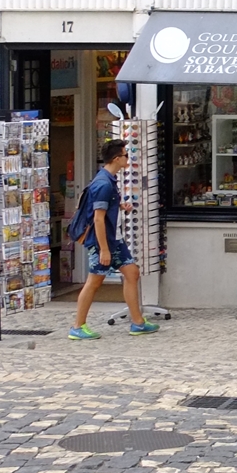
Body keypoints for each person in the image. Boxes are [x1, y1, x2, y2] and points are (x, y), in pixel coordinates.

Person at [67, 140, 158, 339]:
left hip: (114, 239)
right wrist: (104, 249)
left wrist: (120, 207)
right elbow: (98, 219)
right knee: (94, 282)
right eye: (126, 155)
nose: (128, 158)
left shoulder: (109, 180)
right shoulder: (103, 184)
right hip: (103, 242)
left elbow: (105, 211)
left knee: (132, 273)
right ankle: (77, 326)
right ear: (117, 159)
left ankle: (138, 323)